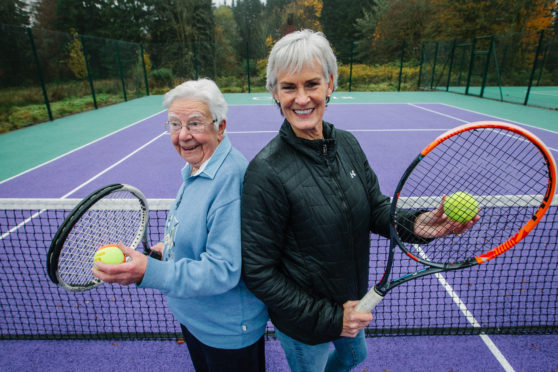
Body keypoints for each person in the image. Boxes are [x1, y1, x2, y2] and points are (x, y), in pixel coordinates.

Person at [240, 29, 478, 372]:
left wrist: (419, 223)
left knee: (355, 356)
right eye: (289, 87)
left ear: (330, 84)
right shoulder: (265, 172)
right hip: (307, 323)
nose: (302, 98)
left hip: (352, 301)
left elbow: (376, 209)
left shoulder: (347, 145)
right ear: (275, 93)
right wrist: (332, 318)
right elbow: (259, 272)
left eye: (312, 84)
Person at [93, 78, 269, 372]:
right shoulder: (197, 167)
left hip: (225, 332)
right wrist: (167, 250)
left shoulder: (229, 182)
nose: (183, 135)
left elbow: (222, 270)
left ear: (220, 126)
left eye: (195, 123)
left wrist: (149, 271)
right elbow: (198, 233)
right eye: (175, 124)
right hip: (196, 318)